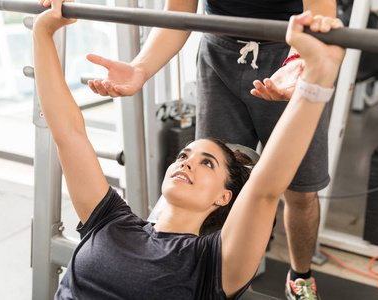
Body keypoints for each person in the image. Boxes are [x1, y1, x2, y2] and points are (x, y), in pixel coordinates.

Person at [34, 0, 345, 299]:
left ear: (226, 197)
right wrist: (42, 32)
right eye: (184, 155)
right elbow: (67, 131)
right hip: (220, 42)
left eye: (207, 163)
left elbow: (265, 187)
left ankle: (300, 278)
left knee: (301, 193)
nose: (187, 163)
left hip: (286, 47)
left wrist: (314, 77)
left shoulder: (211, 264)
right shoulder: (111, 220)